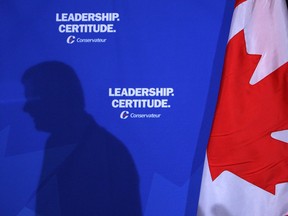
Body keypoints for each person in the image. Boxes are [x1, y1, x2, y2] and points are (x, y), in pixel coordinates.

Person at [22, 61, 142, 216]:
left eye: (34, 98)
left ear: (59, 97)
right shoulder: (58, 142)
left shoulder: (104, 152)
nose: (26, 108)